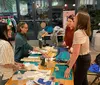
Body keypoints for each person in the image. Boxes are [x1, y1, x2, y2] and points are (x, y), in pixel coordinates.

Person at [64, 11, 91, 85]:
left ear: (80, 20)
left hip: (82, 60)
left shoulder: (78, 33)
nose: (74, 18)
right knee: (84, 80)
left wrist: (69, 68)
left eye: (76, 17)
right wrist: (71, 59)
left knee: (77, 82)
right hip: (85, 58)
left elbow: (75, 53)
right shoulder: (83, 30)